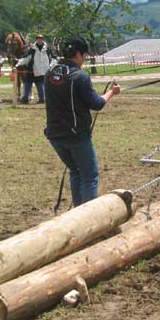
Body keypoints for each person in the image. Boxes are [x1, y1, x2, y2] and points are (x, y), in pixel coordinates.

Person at [44, 36, 120, 207]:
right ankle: (88, 217)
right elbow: (97, 103)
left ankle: (77, 212)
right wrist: (111, 93)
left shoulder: (49, 73)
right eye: (84, 55)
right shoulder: (80, 76)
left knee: (76, 171)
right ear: (78, 53)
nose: (84, 59)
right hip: (76, 135)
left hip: (55, 135)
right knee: (89, 175)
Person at [16, 34, 53, 104]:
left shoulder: (48, 49)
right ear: (36, 40)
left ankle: (42, 98)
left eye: (41, 39)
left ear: (43, 40)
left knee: (39, 84)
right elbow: (25, 58)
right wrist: (18, 64)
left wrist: (51, 66)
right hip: (31, 69)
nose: (39, 40)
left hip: (41, 70)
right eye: (38, 39)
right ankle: (25, 98)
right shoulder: (32, 49)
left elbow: (53, 58)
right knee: (27, 83)